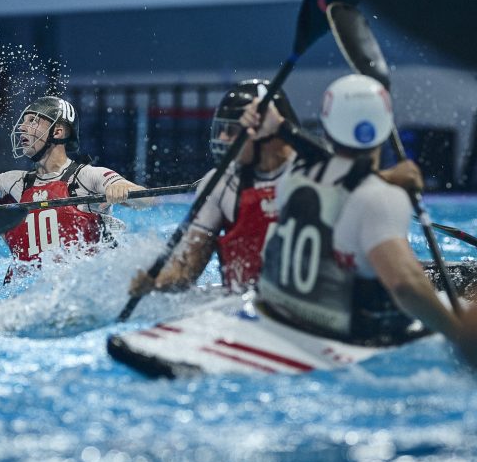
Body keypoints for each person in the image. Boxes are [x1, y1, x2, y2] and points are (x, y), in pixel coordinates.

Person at [129, 79, 423, 298]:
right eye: (221, 129)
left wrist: (387, 178)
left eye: (232, 130)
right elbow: (187, 271)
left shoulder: (312, 169)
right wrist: (155, 282)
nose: (223, 138)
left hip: (317, 306)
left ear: (266, 133)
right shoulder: (218, 183)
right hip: (246, 306)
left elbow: (354, 176)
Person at [254, 74, 464, 348]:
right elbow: (404, 286)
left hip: (283, 315)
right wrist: (457, 333)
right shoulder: (381, 197)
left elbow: (339, 173)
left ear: (326, 124)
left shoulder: (293, 177)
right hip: (355, 336)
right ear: (386, 126)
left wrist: (282, 127)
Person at [0, 81, 149, 282]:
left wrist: (123, 189)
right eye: (23, 121)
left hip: (79, 293)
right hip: (25, 296)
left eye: (33, 121)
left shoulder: (87, 177)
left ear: (58, 132)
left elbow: (145, 200)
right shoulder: (13, 184)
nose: (22, 127)